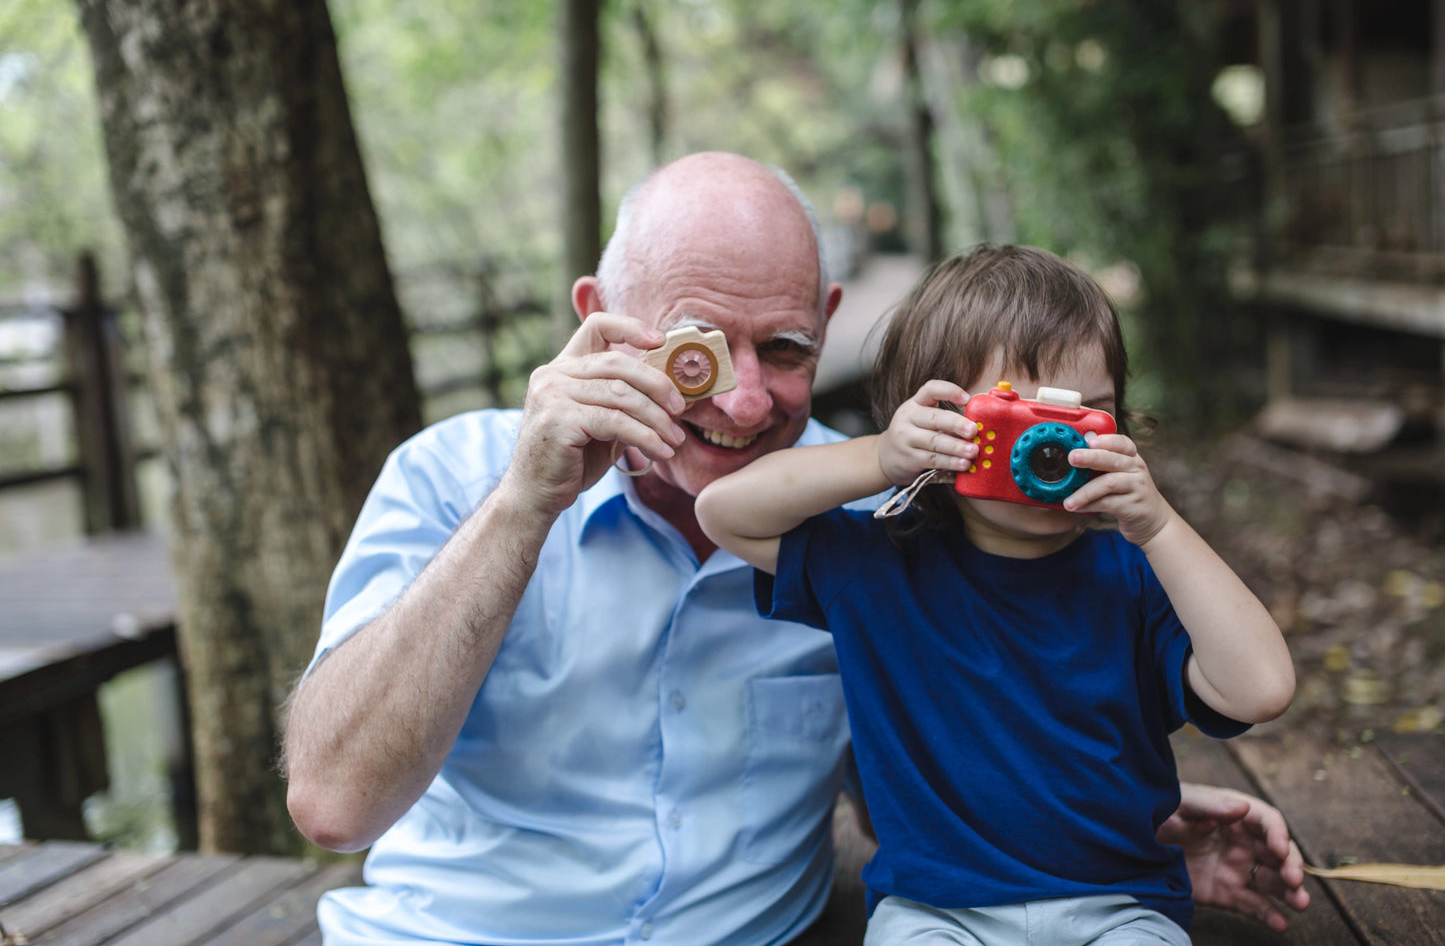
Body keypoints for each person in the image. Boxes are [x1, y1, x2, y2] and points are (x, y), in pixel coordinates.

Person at [283, 154, 1309, 945]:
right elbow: (333, 804)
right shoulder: (452, 478)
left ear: (827, 329)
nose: (738, 399)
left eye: (781, 351)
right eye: (693, 350)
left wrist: (1123, 806)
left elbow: (916, 709)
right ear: (598, 321)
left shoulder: (884, 508)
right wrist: (522, 505)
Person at [695, 244, 1297, 944]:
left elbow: (1259, 690)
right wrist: (883, 456)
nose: (1051, 452)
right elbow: (724, 511)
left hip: (1118, 905)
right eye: (1015, 421)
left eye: (1083, 420)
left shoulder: (1136, 574)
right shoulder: (877, 563)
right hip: (934, 911)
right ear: (936, 423)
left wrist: (1158, 525)